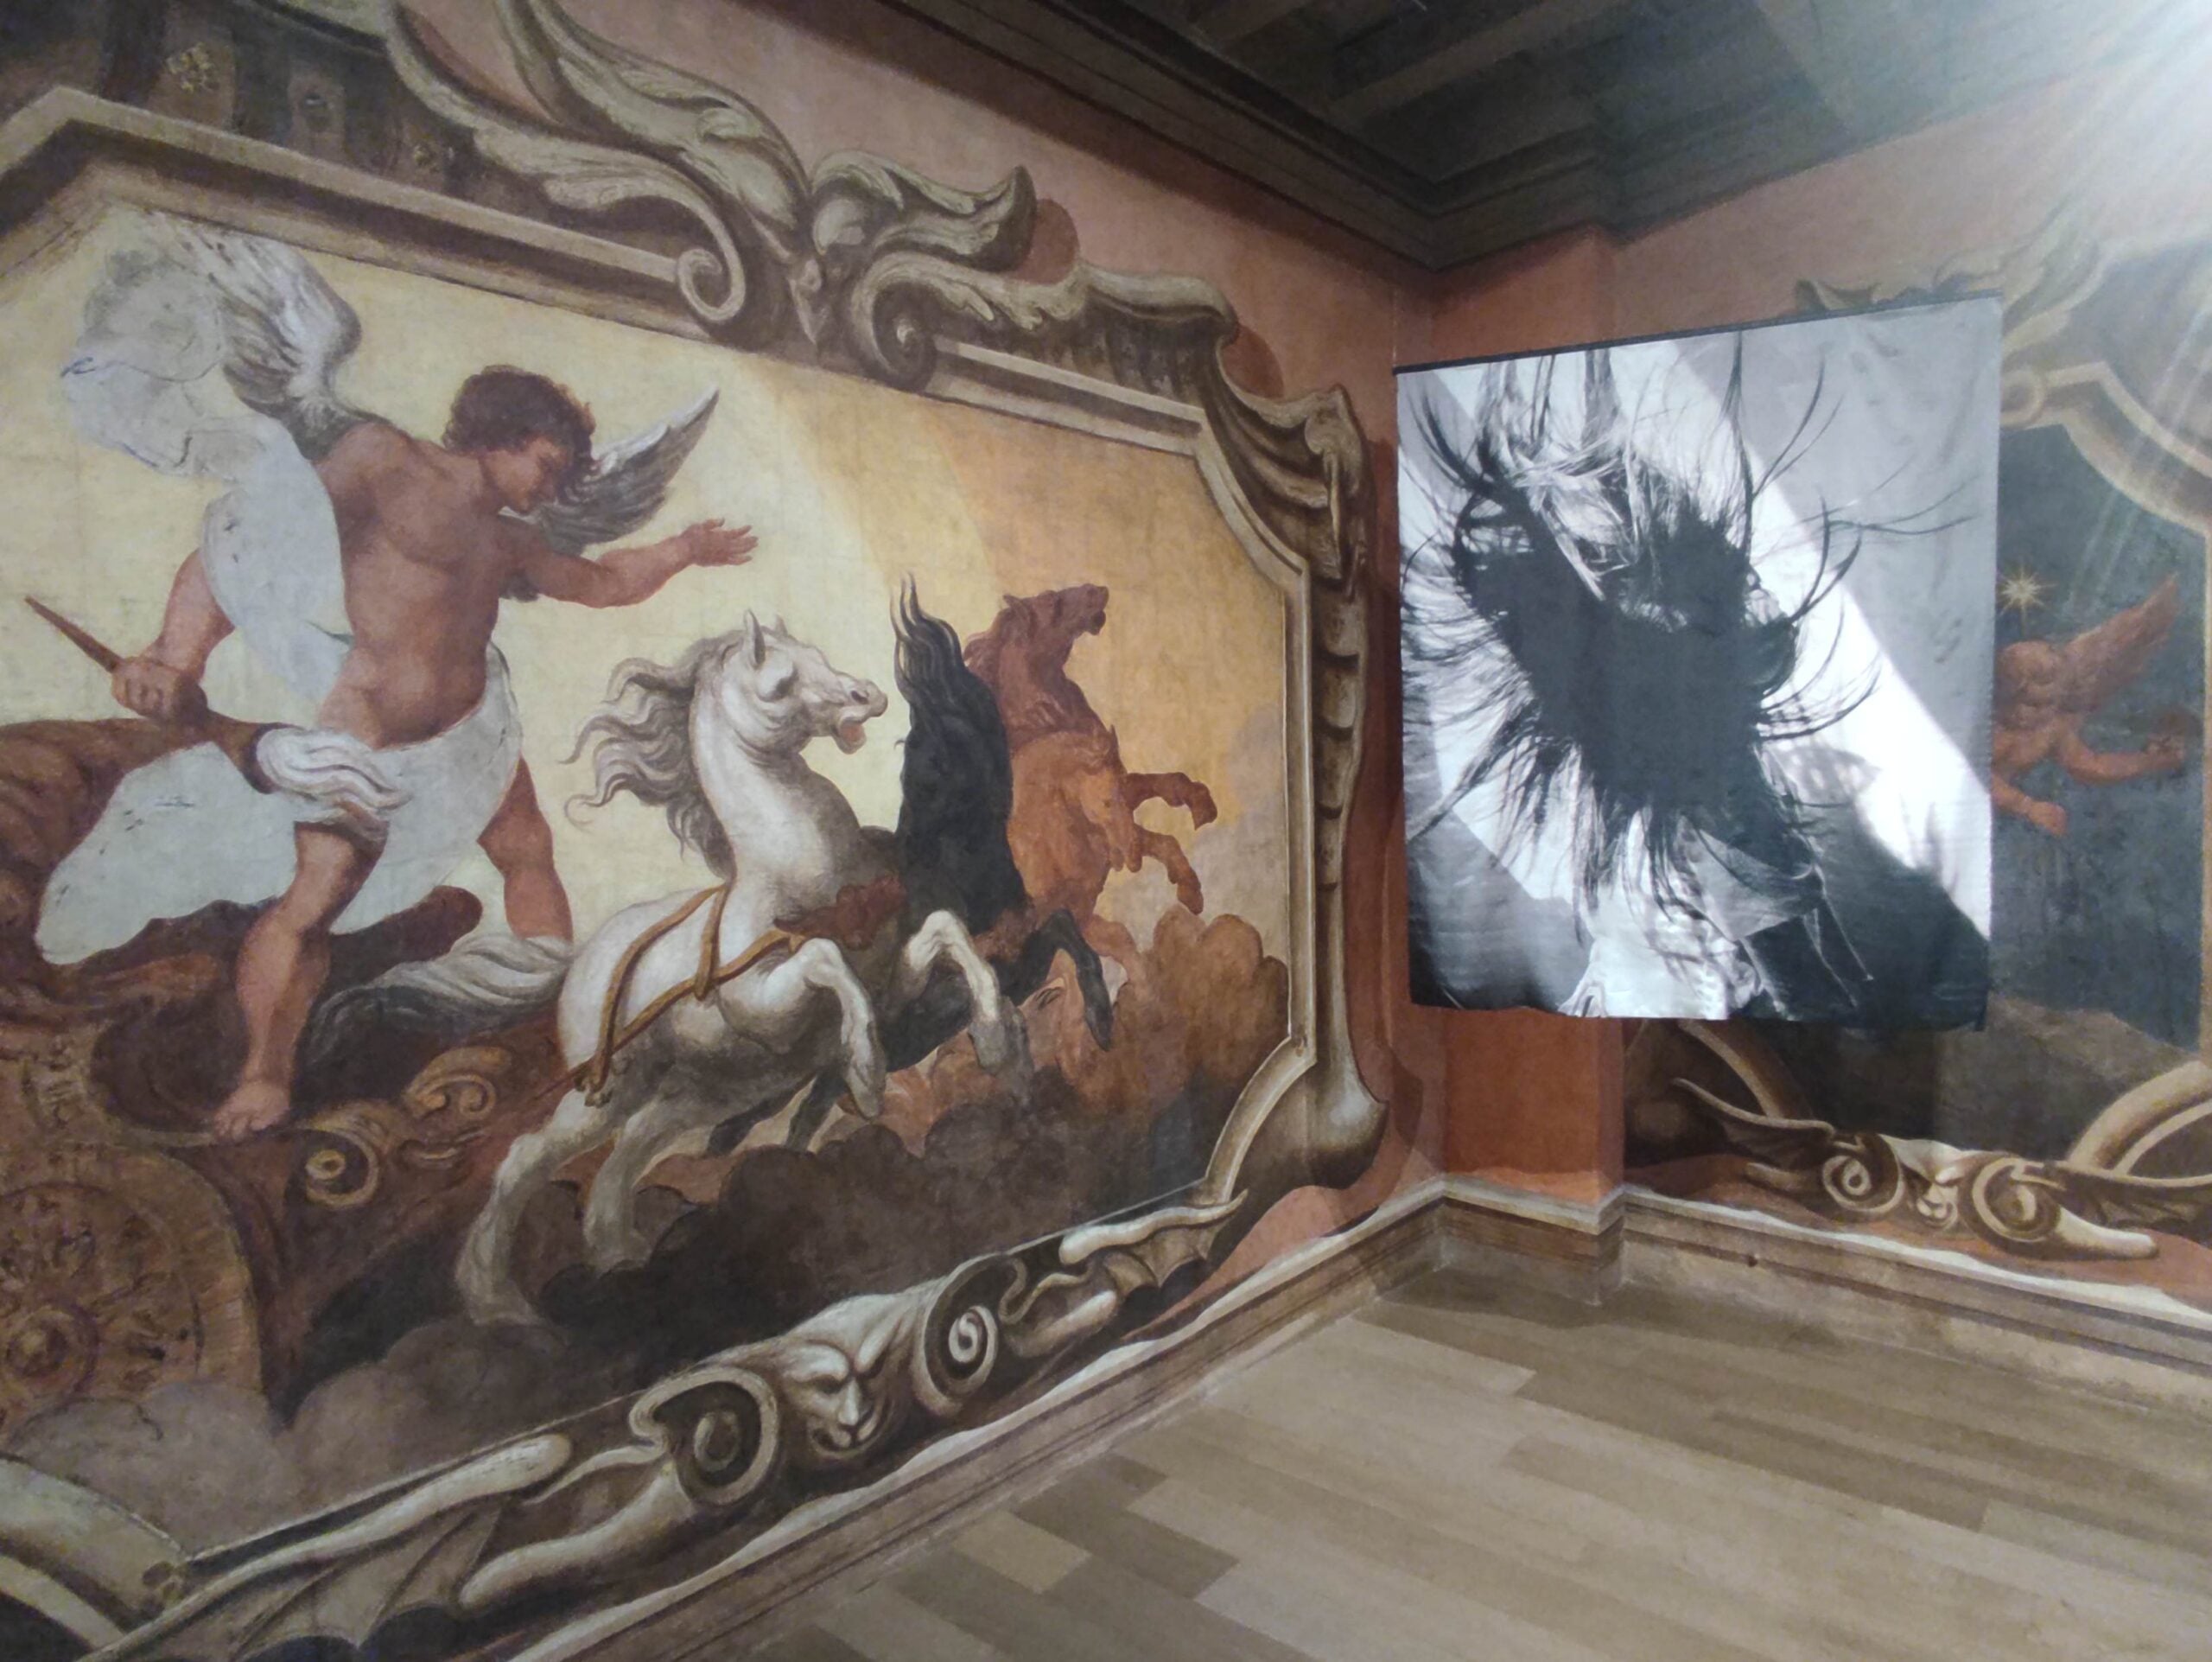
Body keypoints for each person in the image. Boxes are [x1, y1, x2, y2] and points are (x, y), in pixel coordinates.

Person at [110, 367, 755, 1137]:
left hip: (470, 739)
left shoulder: (508, 537)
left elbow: (602, 582)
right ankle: (263, 1076)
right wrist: (174, 659)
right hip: (368, 735)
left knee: (528, 854)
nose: (551, 490)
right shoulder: (383, 458)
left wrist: (685, 548)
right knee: (316, 896)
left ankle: (551, 1021)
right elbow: (246, 543)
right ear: (503, 435)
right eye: (547, 465)